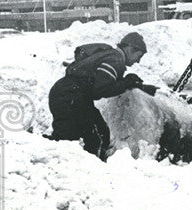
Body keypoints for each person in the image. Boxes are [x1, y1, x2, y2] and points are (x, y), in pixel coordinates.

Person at [47, 31, 157, 160]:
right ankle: (88, 169)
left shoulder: (110, 56)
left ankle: (60, 163)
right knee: (96, 137)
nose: (138, 61)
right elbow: (100, 90)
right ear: (130, 48)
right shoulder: (115, 59)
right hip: (71, 95)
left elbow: (102, 83)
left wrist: (132, 84)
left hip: (66, 93)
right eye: (139, 56)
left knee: (78, 135)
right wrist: (127, 82)